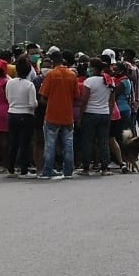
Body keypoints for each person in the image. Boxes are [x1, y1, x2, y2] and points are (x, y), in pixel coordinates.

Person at [38, 50, 79, 179]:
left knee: (50, 145)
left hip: (52, 115)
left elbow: (43, 97)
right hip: (67, 115)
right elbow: (76, 96)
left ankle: (47, 171)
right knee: (68, 145)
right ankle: (68, 172)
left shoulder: (51, 75)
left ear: (52, 62)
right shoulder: (72, 75)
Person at [78, 57, 114, 176]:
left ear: (93, 68)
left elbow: (84, 100)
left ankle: (86, 167)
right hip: (104, 114)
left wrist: (80, 115)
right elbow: (111, 101)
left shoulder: (89, 81)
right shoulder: (109, 81)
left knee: (87, 141)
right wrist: (109, 113)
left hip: (90, 114)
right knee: (103, 141)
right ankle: (105, 167)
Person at [5, 56, 38, 178]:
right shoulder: (29, 85)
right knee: (25, 143)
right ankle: (23, 169)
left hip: (12, 113)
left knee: (13, 142)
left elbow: (8, 98)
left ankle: (10, 168)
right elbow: (32, 103)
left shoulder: (9, 83)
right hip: (26, 114)